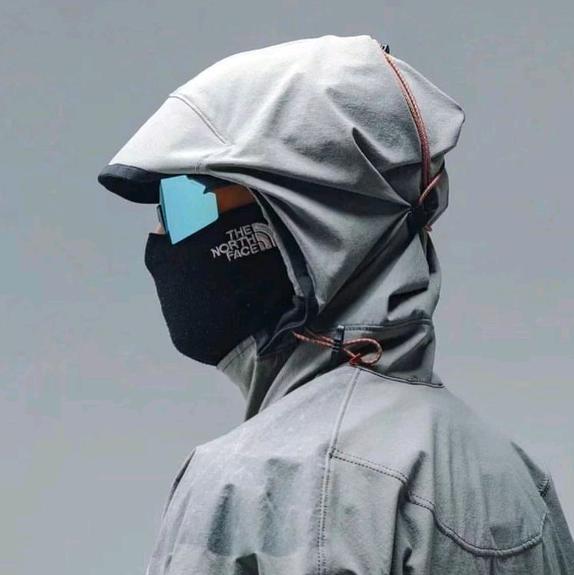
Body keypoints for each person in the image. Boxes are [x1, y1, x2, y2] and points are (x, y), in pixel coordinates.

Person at [97, 34, 574, 574]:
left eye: (184, 202)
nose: (161, 236)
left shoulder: (253, 483)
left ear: (307, 218)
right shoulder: (513, 478)